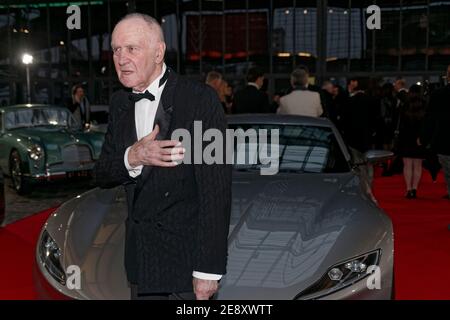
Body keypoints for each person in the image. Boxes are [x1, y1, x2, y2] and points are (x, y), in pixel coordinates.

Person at [94, 13, 232, 300]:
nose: (121, 58)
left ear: (158, 52)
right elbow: (103, 173)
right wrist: (133, 156)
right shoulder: (120, 103)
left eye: (131, 48)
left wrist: (208, 271)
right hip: (141, 262)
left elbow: (215, 191)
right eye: (116, 50)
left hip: (186, 265)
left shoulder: (199, 99)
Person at [421, 64, 450, 200]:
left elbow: (430, 119)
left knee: (448, 171)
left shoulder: (438, 94)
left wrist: (424, 138)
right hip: (443, 140)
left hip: (444, 140)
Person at [398, 85, 426, 199]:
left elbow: (400, 123)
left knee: (407, 164)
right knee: (418, 165)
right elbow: (426, 123)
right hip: (419, 138)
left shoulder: (405, 105)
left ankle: (408, 189)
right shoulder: (424, 105)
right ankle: (415, 189)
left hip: (406, 137)